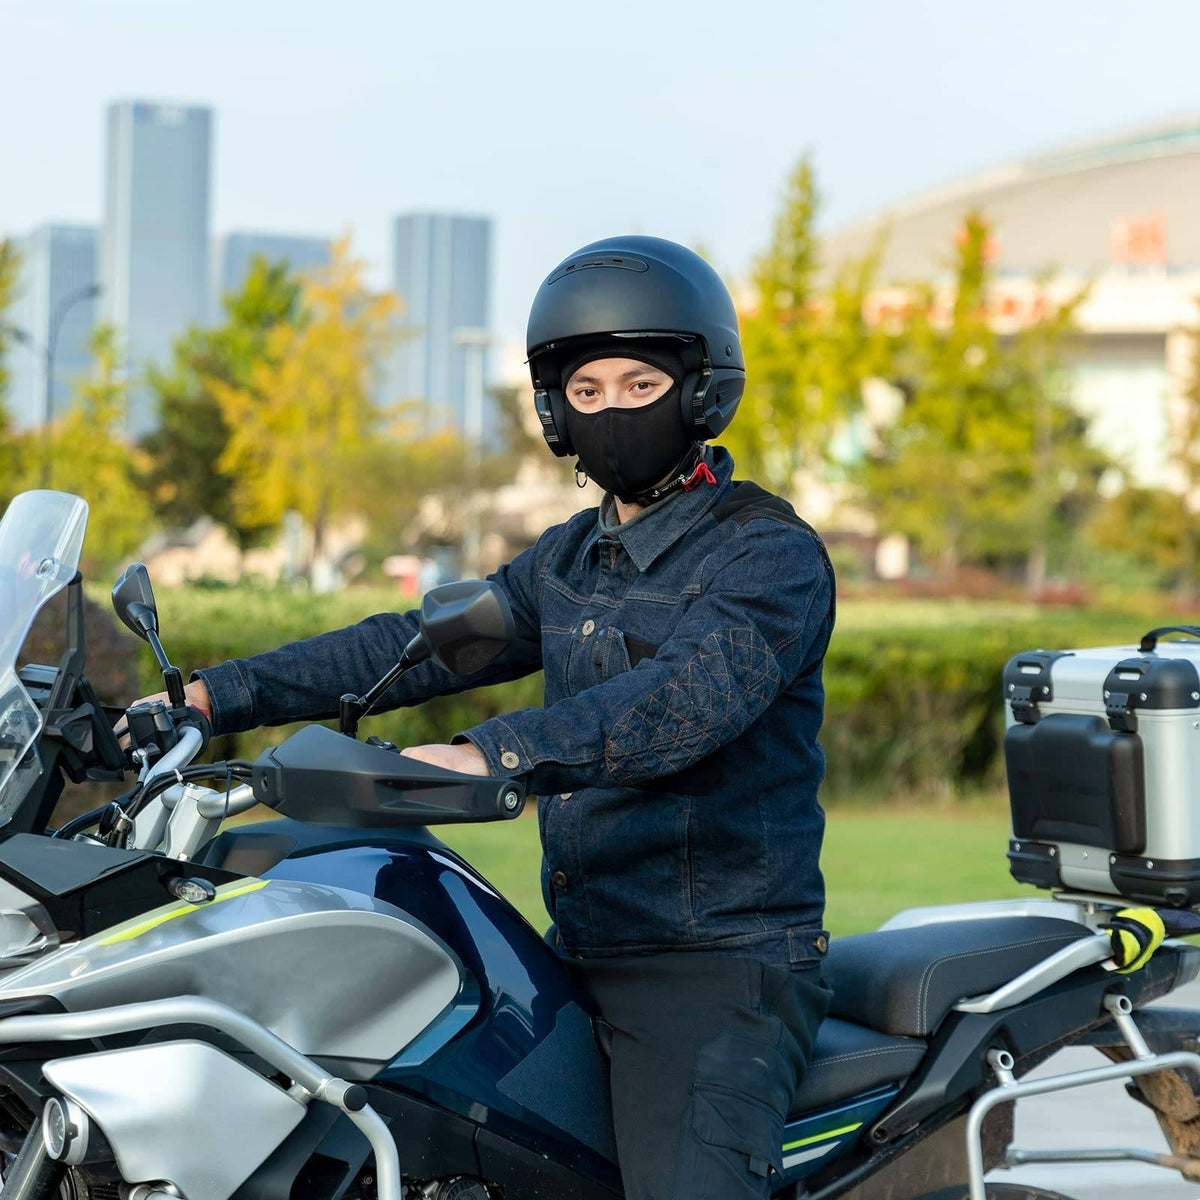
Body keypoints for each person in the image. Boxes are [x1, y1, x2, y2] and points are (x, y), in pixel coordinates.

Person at [136, 236, 836, 1199]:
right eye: (585, 392)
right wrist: (212, 700)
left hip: (714, 972)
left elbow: (687, 700)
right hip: (577, 947)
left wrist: (489, 754)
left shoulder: (766, 555)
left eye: (639, 384)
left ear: (703, 390)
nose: (612, 411)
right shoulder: (569, 558)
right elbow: (410, 644)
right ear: (554, 410)